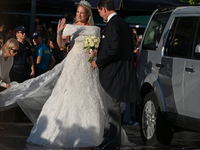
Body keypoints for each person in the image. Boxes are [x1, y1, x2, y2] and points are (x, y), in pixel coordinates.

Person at [0, 0, 131, 148]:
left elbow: (98, 48)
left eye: (82, 13)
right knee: (66, 94)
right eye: (77, 12)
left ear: (87, 14)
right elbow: (61, 44)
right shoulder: (71, 27)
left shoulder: (94, 29)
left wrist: (94, 53)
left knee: (90, 96)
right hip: (72, 64)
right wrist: (59, 31)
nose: (79, 15)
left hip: (88, 65)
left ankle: (99, 134)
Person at [91, 0, 140, 149]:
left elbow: (113, 49)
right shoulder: (123, 23)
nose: (99, 14)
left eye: (99, 11)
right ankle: (108, 139)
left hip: (113, 72)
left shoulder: (113, 25)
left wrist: (98, 62)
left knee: (112, 107)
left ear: (104, 9)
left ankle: (112, 143)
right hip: (121, 70)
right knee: (109, 107)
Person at [0, 38, 19, 122]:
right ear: (8, 48)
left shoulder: (11, 59)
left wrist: (9, 83)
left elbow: (6, 74)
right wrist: (5, 85)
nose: (16, 53)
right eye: (14, 51)